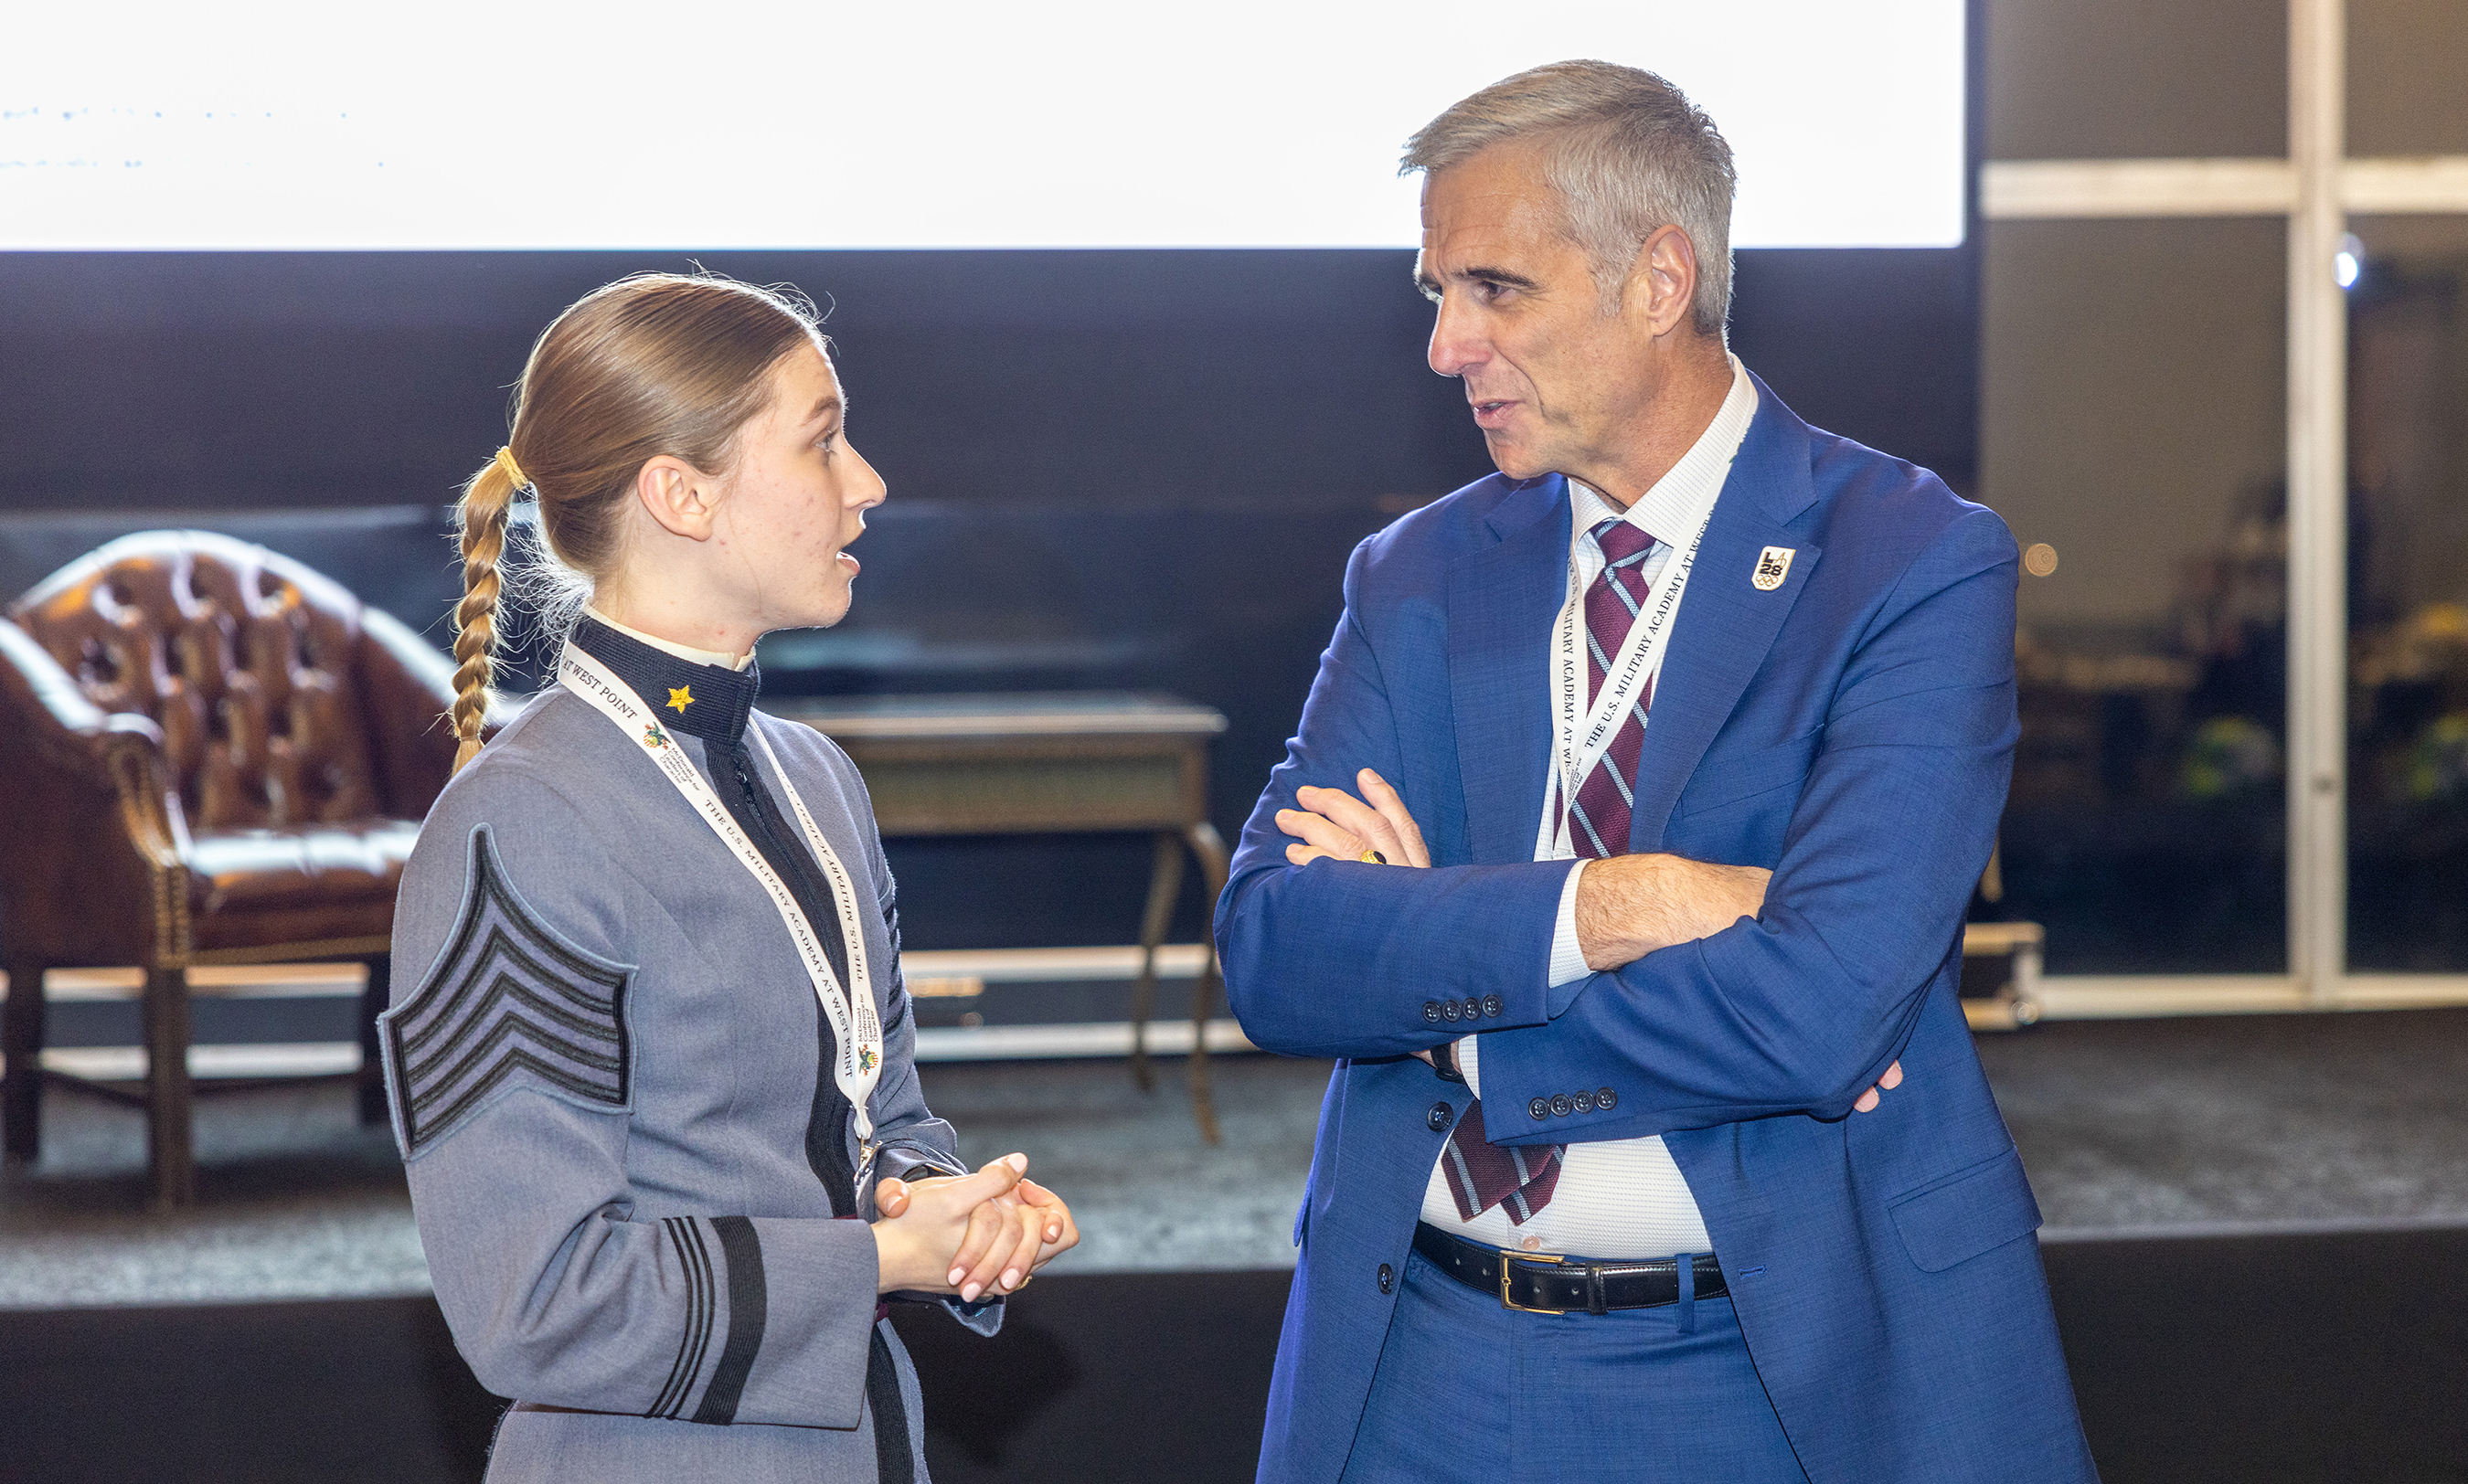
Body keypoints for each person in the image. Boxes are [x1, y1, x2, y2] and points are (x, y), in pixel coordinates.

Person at [1219, 62, 2096, 1484]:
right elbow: (1273, 951)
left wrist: (1452, 1009)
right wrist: (1608, 911)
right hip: (1415, 1368)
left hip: (1764, 1366)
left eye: (1495, 290)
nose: (1448, 347)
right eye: (1434, 293)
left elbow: (1822, 1012)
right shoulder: (1420, 572)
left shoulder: (1909, 562)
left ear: (1660, 278)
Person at [382, 271, 1077, 1483]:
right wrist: (878, 1265)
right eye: (822, 443)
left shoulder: (815, 778)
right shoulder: (516, 823)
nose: (866, 483)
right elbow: (536, 1299)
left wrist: (950, 1210)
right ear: (680, 494)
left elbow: (881, 1119)